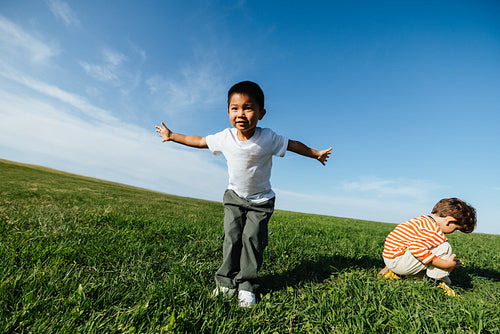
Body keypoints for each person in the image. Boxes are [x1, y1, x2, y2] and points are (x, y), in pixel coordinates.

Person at [155, 81, 332, 308]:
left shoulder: (268, 137)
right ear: (228, 111)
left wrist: (315, 153)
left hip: (261, 201)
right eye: (234, 108)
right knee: (232, 237)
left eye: (248, 108)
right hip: (235, 197)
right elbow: (199, 141)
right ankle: (225, 281)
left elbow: (292, 145)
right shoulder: (225, 137)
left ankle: (247, 285)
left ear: (261, 113)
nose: (241, 114)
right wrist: (172, 135)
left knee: (252, 240)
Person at [379, 197, 477, 296]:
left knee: (446, 281)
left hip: (392, 258)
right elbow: (417, 249)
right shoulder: (433, 230)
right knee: (444, 247)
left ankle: (395, 273)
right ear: (449, 221)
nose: (453, 232)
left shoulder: (421, 221)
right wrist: (445, 264)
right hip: (400, 262)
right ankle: (434, 283)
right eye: (455, 229)